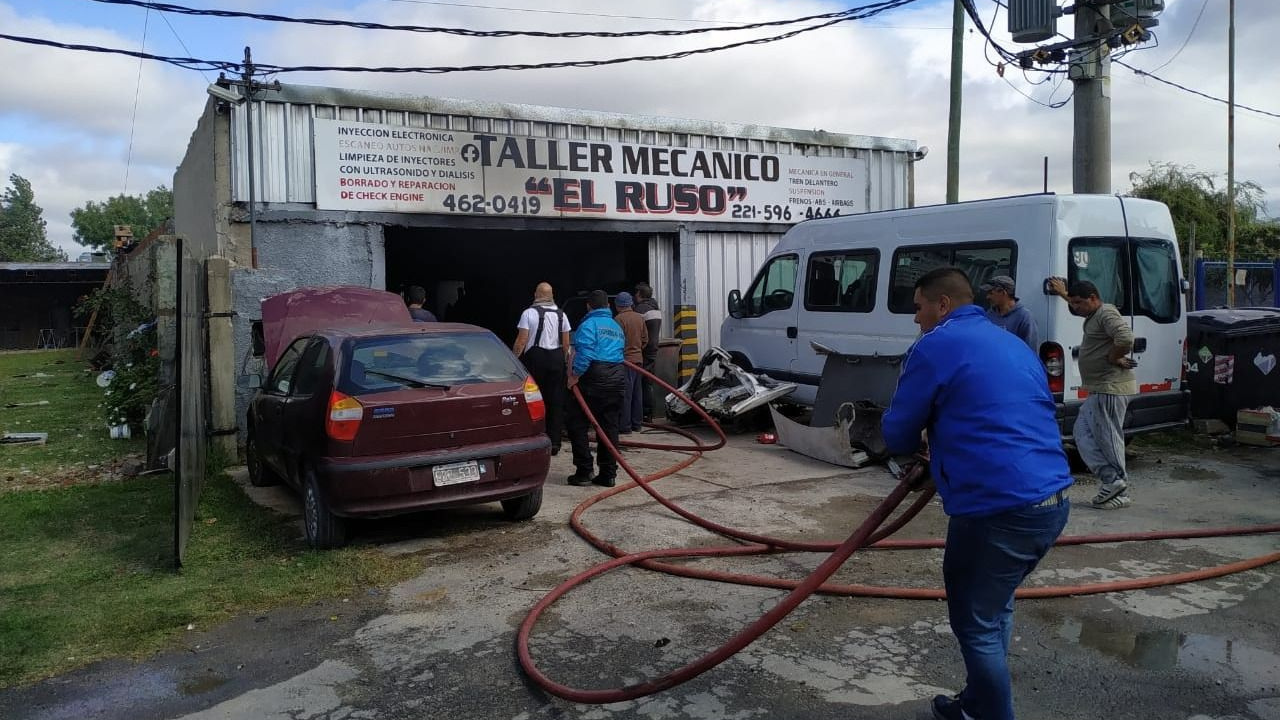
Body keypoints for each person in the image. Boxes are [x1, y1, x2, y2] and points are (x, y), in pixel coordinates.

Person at [881, 267, 1073, 720]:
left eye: (918, 307)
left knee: (975, 622)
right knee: (994, 606)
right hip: (1052, 500)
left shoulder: (935, 345)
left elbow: (898, 430)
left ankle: (991, 714)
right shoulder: (1011, 343)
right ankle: (975, 705)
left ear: (942, 305)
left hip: (997, 508)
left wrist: (915, 449)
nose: (916, 319)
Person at [1047, 277, 1137, 509]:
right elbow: (1078, 303)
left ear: (1094, 298)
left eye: (1078, 303)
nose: (1074, 308)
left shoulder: (1106, 313)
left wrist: (1114, 357)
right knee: (1082, 433)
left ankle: (1118, 482)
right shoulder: (1092, 313)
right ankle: (1112, 482)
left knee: (1108, 437)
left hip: (1110, 388)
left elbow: (1126, 338)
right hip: (1098, 389)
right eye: (1072, 302)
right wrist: (1063, 294)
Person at [565, 290, 627, 487]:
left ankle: (584, 471)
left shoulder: (588, 325)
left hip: (594, 377)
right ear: (608, 306)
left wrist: (574, 375)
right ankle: (608, 474)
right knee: (609, 427)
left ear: (589, 306)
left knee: (577, 423)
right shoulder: (616, 326)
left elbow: (585, 354)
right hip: (617, 376)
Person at [513, 282, 572, 456]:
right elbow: (566, 344)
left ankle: (534, 437)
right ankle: (554, 442)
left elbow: (521, 341)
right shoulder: (562, 315)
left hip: (536, 360)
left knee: (533, 399)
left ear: (536, 295)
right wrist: (565, 362)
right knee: (555, 401)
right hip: (556, 359)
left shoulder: (528, 313)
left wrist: (513, 360)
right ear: (552, 295)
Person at [612, 291, 649, 434]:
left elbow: (615, 341)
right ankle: (637, 423)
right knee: (637, 393)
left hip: (624, 361)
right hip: (638, 360)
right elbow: (645, 339)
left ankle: (625, 426)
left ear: (618, 305)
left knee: (626, 394)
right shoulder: (639, 318)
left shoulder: (618, 319)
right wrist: (637, 350)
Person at [981, 275, 1038, 350]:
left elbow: (1031, 351)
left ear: (1003, 292)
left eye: (991, 293)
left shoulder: (1025, 317)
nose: (987, 297)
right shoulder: (989, 315)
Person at [633, 282, 662, 420]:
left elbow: (635, 328)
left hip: (644, 350)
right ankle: (648, 412)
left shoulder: (641, 309)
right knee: (648, 381)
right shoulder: (655, 307)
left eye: (636, 293)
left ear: (639, 294)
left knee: (639, 381)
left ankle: (643, 412)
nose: (634, 296)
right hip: (653, 349)